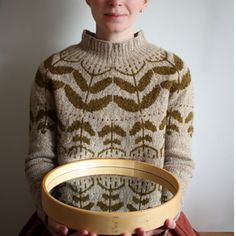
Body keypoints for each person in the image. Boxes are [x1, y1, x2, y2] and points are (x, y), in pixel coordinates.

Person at [20, 0, 199, 235]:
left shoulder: (174, 72)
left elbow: (179, 161)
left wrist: (161, 220)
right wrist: (51, 216)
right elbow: (40, 160)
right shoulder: (52, 71)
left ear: (145, 1)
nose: (116, 1)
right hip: (69, 226)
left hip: (154, 227)